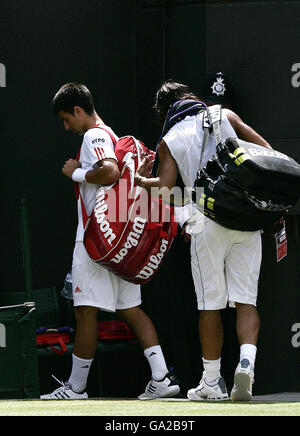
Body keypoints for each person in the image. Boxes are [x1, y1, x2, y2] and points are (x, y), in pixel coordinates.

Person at [40, 82, 180, 400]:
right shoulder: (113, 135)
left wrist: (75, 173)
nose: (66, 126)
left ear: (78, 110)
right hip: (119, 240)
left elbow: (110, 172)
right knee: (131, 309)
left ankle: (76, 388)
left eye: (66, 119)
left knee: (85, 311)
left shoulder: (94, 136)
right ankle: (162, 377)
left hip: (96, 240)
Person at [135, 79, 272, 402]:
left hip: (205, 221)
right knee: (246, 300)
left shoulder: (169, 138)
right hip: (246, 217)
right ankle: (247, 366)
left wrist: (142, 179)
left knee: (209, 304)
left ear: (165, 111)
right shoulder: (224, 115)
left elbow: (165, 189)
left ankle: (212, 382)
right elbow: (265, 151)